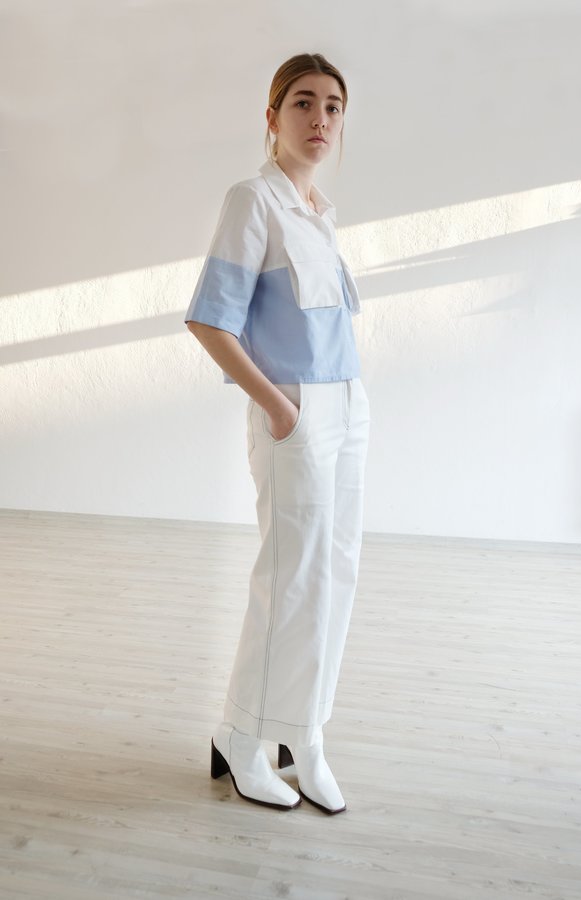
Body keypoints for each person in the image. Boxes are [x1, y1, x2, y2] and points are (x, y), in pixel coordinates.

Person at [185, 52, 370, 815]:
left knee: (335, 576)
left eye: (332, 106)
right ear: (272, 117)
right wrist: (279, 409)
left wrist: (341, 406)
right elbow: (209, 320)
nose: (319, 117)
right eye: (303, 102)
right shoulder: (253, 200)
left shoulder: (320, 211)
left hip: (348, 406)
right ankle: (240, 736)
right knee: (289, 579)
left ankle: (306, 735)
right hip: (294, 411)